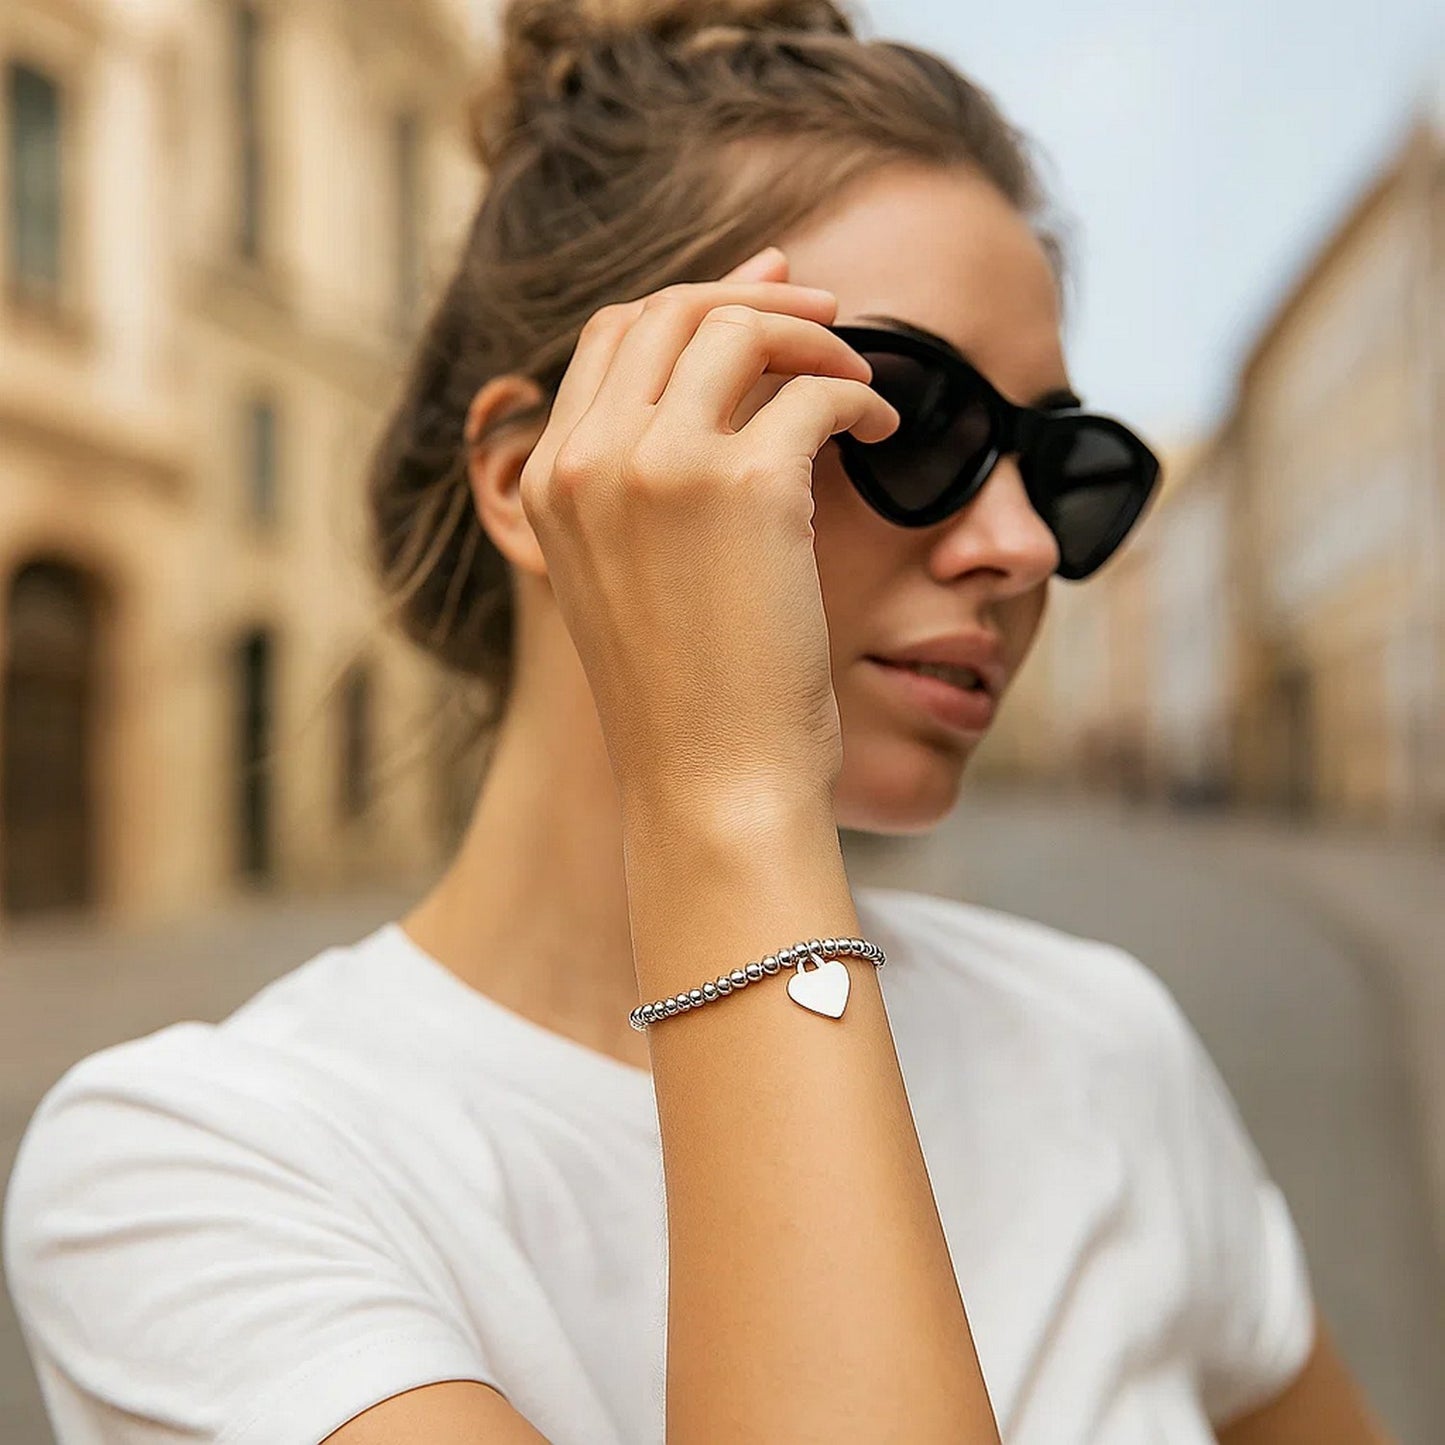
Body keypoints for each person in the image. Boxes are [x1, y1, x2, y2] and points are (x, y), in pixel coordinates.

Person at [1, 1, 1395, 1441]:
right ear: (538, 473)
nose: (1024, 543)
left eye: (1061, 465)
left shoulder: (1101, 1041)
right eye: (899, 420)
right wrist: (734, 796)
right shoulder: (206, 1167)